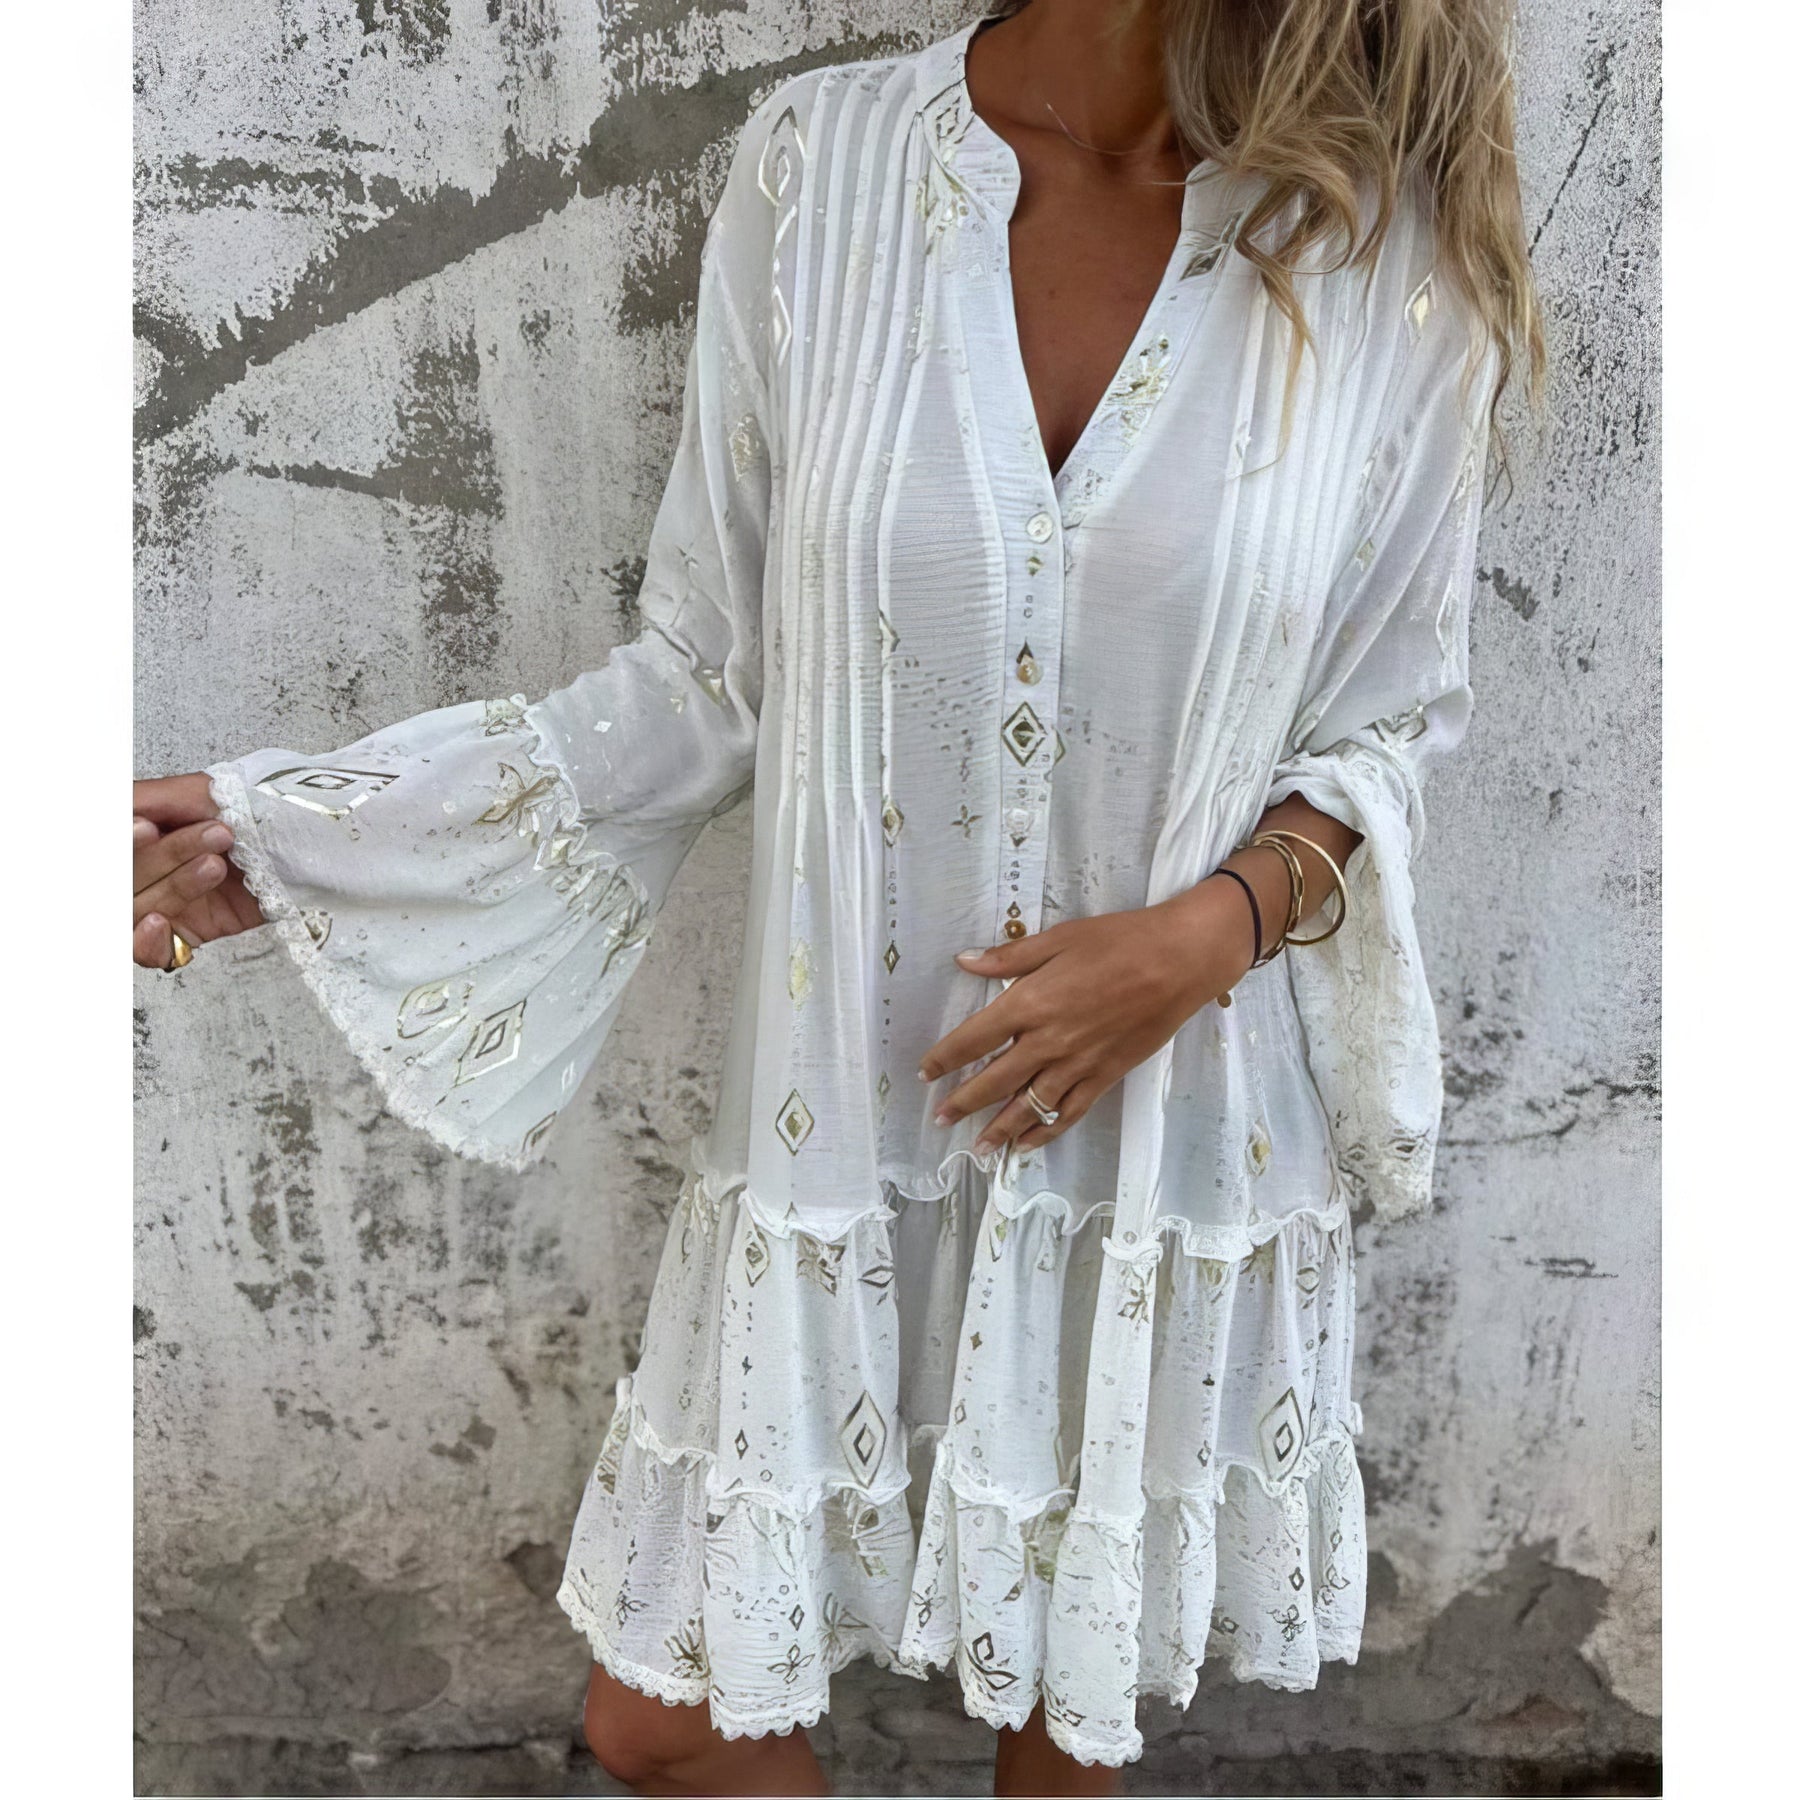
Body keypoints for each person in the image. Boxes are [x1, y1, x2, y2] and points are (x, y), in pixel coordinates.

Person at [133, 0, 1545, 1792]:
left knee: (1067, 1727)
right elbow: (704, 680)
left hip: (1158, 1129)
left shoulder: (1376, 236)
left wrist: (1206, 939)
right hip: (838, 1123)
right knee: (667, 1718)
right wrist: (303, 836)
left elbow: (1385, 722)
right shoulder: (826, 165)